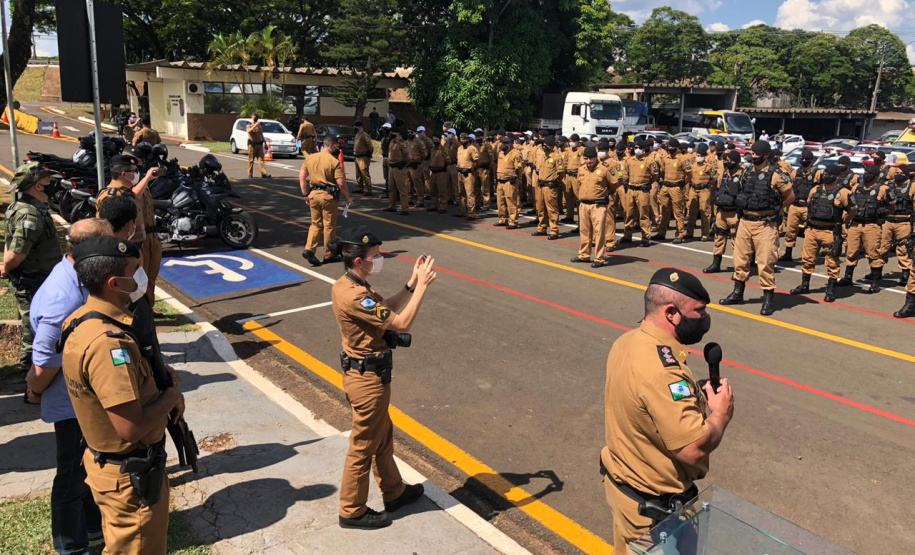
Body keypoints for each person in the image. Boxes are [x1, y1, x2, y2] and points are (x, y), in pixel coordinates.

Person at [61, 236, 185, 554]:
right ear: (116, 282)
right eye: (136, 270)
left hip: (117, 470)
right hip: (130, 479)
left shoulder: (82, 321)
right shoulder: (108, 344)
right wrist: (170, 397)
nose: (141, 275)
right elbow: (131, 427)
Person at [601, 268, 733, 554]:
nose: (704, 320)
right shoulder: (663, 372)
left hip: (626, 493)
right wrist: (720, 414)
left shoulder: (627, 342)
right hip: (655, 518)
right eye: (699, 312)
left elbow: (647, 410)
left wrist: (695, 395)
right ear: (672, 313)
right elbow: (692, 449)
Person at [330, 227, 436, 528]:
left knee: (382, 436)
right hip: (367, 380)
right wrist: (425, 287)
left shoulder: (351, 285)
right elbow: (400, 323)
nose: (379, 260)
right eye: (375, 257)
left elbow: (385, 310)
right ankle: (352, 510)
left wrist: (411, 285)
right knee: (363, 445)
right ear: (360, 261)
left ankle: (394, 491)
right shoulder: (353, 296)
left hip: (368, 374)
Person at [25, 219, 110, 555]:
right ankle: (71, 548)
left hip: (82, 398)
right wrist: (34, 389)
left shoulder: (77, 276)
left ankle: (91, 530)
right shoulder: (63, 297)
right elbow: (44, 360)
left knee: (87, 472)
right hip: (72, 404)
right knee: (71, 480)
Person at [719, 141, 795, 315]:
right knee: (740, 259)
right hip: (745, 221)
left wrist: (778, 208)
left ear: (766, 155)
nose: (753, 156)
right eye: (752, 153)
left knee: (765, 262)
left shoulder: (776, 174)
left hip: (765, 224)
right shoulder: (747, 173)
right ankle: (738, 293)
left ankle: (768, 298)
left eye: (757, 154)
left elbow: (790, 196)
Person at [1, 162, 63, 374]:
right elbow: (17, 252)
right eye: (47, 181)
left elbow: (9, 242)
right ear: (37, 186)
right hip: (32, 279)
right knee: (34, 326)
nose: (51, 184)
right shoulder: (30, 215)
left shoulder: (28, 208)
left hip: (40, 278)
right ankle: (30, 374)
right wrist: (7, 268)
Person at [788, 165, 853, 302]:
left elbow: (852, 210)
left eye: (829, 174)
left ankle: (830, 289)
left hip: (830, 232)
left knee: (832, 261)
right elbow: (809, 204)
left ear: (836, 177)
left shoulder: (844, 193)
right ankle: (805, 284)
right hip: (812, 230)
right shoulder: (815, 190)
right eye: (825, 173)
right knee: (807, 258)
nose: (826, 175)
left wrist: (842, 221)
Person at [837, 164, 892, 293]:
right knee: (851, 251)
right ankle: (848, 277)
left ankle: (875, 281)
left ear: (875, 176)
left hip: (872, 225)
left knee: (873, 253)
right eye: (865, 172)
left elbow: (891, 207)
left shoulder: (883, 189)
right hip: (856, 224)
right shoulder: (856, 187)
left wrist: (880, 212)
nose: (865, 175)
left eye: (869, 173)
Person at [300, 136, 354, 267]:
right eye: (336, 146)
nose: (338, 149)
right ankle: (328, 254)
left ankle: (309, 249)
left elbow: (302, 177)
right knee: (329, 226)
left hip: (313, 195)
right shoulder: (333, 161)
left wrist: (305, 194)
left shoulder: (310, 158)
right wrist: (348, 197)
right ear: (330, 146)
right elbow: (341, 183)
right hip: (328, 196)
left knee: (315, 224)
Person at [570, 146, 619, 268]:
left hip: (598, 205)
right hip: (584, 205)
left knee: (599, 232)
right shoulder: (581, 169)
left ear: (595, 158)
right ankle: (584, 255)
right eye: (586, 159)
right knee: (584, 231)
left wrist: (604, 194)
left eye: (590, 159)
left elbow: (614, 184)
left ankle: (599, 258)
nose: (588, 161)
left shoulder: (604, 169)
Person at [704, 150, 745, 273]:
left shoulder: (743, 175)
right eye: (725, 160)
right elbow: (717, 187)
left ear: (736, 162)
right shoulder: (724, 173)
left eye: (729, 161)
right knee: (719, 238)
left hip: (735, 213)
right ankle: (716, 264)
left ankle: (739, 269)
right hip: (722, 212)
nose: (726, 163)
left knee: (736, 243)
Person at [779, 149, 820, 262]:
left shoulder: (817, 173)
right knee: (790, 230)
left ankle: (808, 256)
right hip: (795, 206)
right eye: (802, 159)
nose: (804, 161)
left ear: (811, 160)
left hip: (808, 207)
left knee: (810, 232)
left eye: (806, 159)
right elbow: (788, 187)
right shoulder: (795, 173)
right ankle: (788, 253)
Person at [621, 140, 658, 247]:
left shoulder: (649, 161)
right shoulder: (629, 160)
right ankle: (627, 235)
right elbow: (625, 174)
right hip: (631, 190)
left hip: (642, 190)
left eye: (639, 148)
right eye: (635, 147)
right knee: (629, 214)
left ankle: (645, 237)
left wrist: (647, 183)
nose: (636, 150)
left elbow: (654, 176)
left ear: (643, 149)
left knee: (643, 215)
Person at [882, 164, 914, 287]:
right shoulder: (888, 186)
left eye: (901, 172)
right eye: (896, 172)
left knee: (903, 249)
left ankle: (905, 274)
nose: (898, 174)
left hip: (904, 221)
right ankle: (877, 272)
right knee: (881, 247)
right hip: (888, 221)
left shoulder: (912, 187)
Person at [655, 139, 690, 244]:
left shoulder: (683, 159)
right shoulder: (666, 158)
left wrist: (682, 184)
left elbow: (689, 175)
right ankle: (661, 233)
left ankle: (679, 234)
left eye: (672, 146)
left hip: (676, 187)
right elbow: (662, 171)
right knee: (664, 210)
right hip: (666, 186)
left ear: (677, 147)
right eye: (669, 146)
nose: (670, 148)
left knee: (678, 212)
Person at [532, 135, 564, 240]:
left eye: (547, 145)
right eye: (544, 144)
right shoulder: (542, 156)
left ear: (552, 146)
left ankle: (554, 230)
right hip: (540, 185)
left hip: (550, 186)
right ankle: (542, 228)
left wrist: (555, 182)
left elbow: (561, 173)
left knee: (552, 209)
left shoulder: (557, 157)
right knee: (540, 208)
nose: (545, 147)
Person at [684, 143, 716, 241]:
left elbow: (713, 178)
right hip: (693, 189)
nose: (699, 157)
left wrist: (708, 186)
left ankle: (705, 234)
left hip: (704, 189)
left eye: (701, 156)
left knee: (705, 212)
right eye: (698, 156)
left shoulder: (708, 166)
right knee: (692, 212)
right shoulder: (692, 165)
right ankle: (689, 233)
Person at [494, 136, 523, 229]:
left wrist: (516, 177)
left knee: (511, 201)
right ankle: (502, 219)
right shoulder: (501, 153)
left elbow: (519, 168)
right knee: (500, 201)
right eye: (502, 143)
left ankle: (513, 221)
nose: (503, 145)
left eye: (505, 143)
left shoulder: (515, 154)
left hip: (509, 181)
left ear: (510, 144)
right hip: (500, 181)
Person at [385, 128, 411, 215]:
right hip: (391, 168)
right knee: (391, 188)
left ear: (398, 133)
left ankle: (405, 208)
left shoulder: (402, 143)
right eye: (392, 132)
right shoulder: (392, 142)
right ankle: (392, 206)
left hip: (399, 168)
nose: (392, 133)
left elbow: (408, 156)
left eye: (394, 132)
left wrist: (404, 164)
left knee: (402, 189)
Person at [455, 133, 480, 220]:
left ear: (468, 139)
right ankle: (462, 211)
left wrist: (473, 169)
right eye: (461, 139)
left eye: (465, 139)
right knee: (461, 193)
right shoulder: (459, 148)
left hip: (468, 173)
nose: (463, 140)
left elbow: (477, 161)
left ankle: (472, 213)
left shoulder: (472, 148)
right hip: (460, 173)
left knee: (470, 193)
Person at [428, 135, 450, 214]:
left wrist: (444, 167)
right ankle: (434, 205)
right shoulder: (432, 150)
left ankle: (443, 206)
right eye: (433, 140)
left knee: (442, 190)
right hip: (433, 172)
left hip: (441, 172)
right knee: (433, 190)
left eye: (436, 139)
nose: (435, 141)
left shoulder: (444, 149)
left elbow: (448, 160)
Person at [246, 115, 271, 179]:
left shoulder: (259, 127)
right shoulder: (249, 125)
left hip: (259, 145)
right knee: (251, 160)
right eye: (254, 117)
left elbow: (261, 134)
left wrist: (264, 141)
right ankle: (250, 173)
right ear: (252, 118)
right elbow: (248, 131)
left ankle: (264, 173)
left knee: (261, 160)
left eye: (256, 117)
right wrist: (255, 125)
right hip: (252, 145)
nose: (255, 118)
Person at [353, 121, 374, 197]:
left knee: (364, 173)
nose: (355, 128)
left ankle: (369, 189)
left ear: (360, 127)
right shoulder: (357, 135)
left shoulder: (365, 135)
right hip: (357, 156)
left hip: (363, 157)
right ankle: (360, 187)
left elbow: (370, 146)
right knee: (358, 174)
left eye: (356, 127)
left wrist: (369, 154)